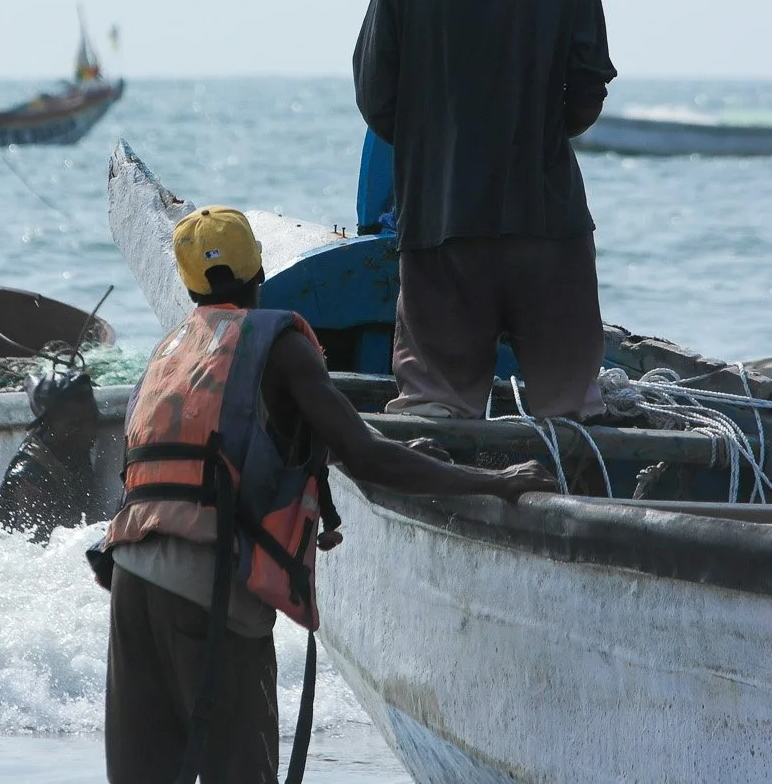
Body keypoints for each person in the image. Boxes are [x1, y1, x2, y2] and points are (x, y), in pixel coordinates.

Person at [96, 206, 558, 784]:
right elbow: (363, 455)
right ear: (259, 270)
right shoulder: (281, 344)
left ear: (189, 287)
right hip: (205, 583)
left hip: (131, 575)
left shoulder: (168, 354)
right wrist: (492, 481)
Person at [352, 0, 617, 421]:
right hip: (549, 228)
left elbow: (377, 100)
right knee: (573, 411)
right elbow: (586, 98)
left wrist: (436, 148)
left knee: (434, 408)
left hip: (442, 228)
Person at [0, 361, 103, 541]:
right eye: (75, 424)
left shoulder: (72, 448)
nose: (88, 432)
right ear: (48, 425)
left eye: (93, 421)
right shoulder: (29, 478)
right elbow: (31, 548)